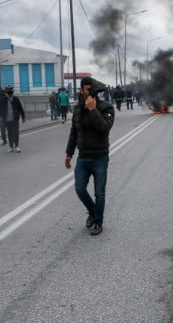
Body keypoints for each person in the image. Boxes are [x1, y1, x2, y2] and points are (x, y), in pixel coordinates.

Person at [65, 77, 115, 236]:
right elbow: (74, 132)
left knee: (99, 192)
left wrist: (93, 110)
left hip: (100, 157)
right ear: (80, 90)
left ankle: (98, 221)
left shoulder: (106, 107)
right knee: (79, 189)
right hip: (83, 157)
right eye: (84, 89)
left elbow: (104, 129)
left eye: (89, 90)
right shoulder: (78, 109)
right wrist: (69, 153)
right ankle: (93, 212)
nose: (86, 93)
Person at [0, 84, 25, 153]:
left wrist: (23, 117)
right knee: (9, 133)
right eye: (8, 89)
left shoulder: (16, 99)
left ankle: (17, 146)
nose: (9, 90)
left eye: (10, 89)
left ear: (12, 90)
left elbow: (20, 108)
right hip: (7, 119)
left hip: (15, 119)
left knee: (16, 133)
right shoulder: (3, 99)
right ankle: (11, 147)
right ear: (6, 90)